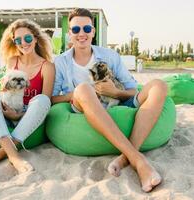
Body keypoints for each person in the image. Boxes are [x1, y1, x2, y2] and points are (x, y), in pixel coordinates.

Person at [52, 8, 167, 192]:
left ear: (93, 31)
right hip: (84, 107)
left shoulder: (110, 56)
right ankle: (139, 160)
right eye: (76, 30)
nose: (82, 34)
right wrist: (79, 95)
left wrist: (115, 92)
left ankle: (125, 157)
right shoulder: (60, 62)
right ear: (69, 34)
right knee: (83, 89)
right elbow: (52, 98)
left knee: (159, 85)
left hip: (116, 101)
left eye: (87, 29)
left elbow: (132, 88)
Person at [0, 19, 55, 173]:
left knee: (42, 100)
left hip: (29, 111)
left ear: (35, 38)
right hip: (7, 106)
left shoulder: (47, 66)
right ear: (14, 42)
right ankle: (13, 155)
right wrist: (5, 108)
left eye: (28, 38)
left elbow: (46, 101)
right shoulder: (12, 61)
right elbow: (3, 91)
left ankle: (1, 154)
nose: (24, 43)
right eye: (18, 40)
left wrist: (17, 116)